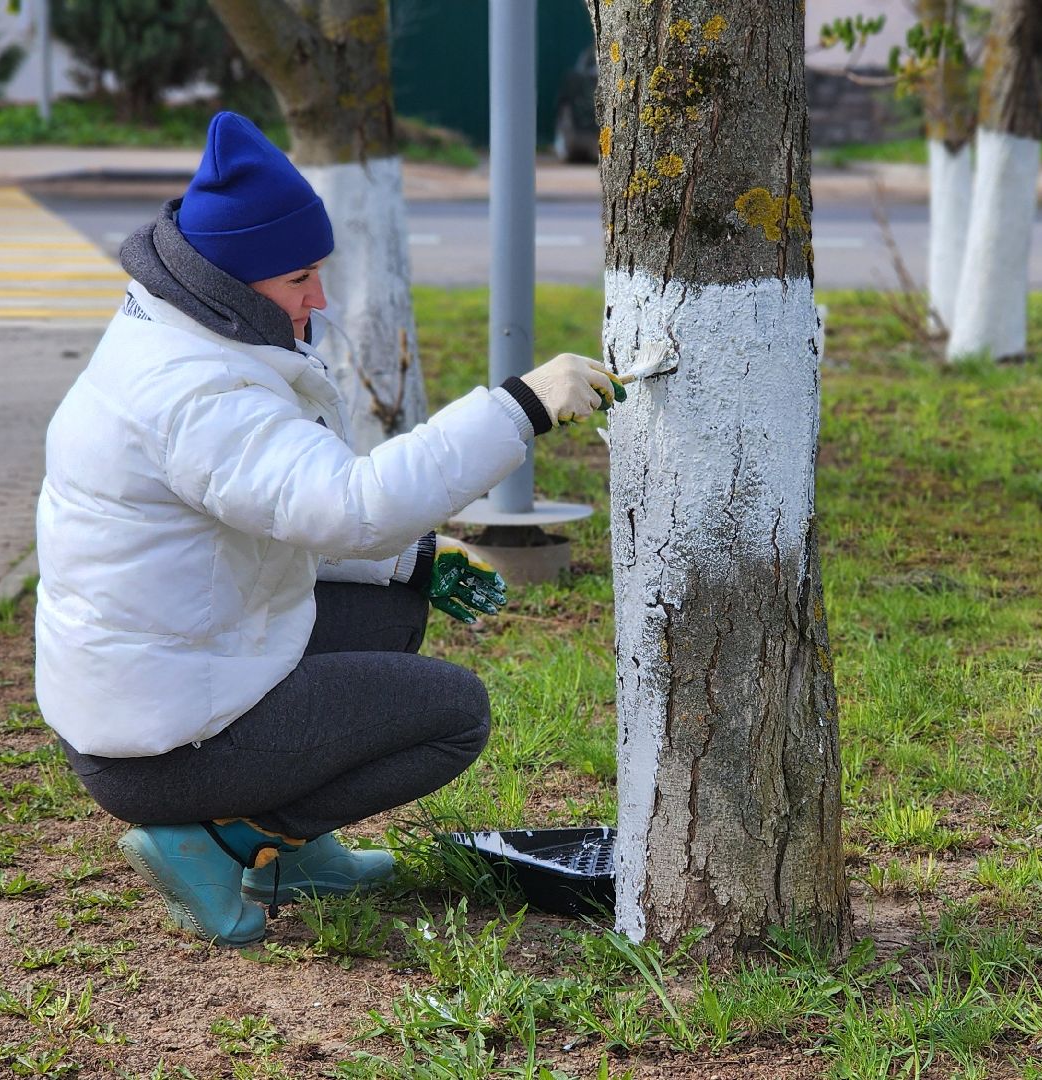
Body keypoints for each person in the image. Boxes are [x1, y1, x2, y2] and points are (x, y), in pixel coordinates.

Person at [34, 111, 623, 947]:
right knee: (455, 714)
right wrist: (520, 408)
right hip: (157, 745)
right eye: (299, 278)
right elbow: (349, 507)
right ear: (235, 283)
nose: (318, 298)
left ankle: (293, 847)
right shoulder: (197, 398)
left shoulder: (177, 334)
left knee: (395, 617)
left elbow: (271, 519)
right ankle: (229, 842)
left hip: (149, 681)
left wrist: (414, 564)